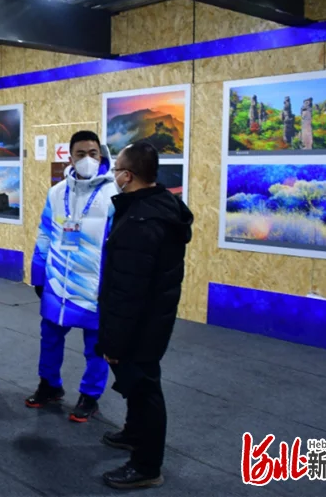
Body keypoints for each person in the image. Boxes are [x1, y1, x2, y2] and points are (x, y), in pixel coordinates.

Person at [97, 141, 193, 490]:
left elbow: (129, 290)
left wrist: (114, 340)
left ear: (129, 175)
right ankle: (134, 433)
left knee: (144, 388)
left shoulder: (142, 221)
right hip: (151, 318)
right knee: (138, 385)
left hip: (140, 324)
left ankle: (146, 465)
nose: (113, 173)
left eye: (116, 167)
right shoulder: (153, 206)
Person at [27, 131, 117, 423]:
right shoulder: (57, 192)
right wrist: (39, 274)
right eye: (81, 153)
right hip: (59, 281)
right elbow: (45, 233)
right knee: (49, 339)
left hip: (96, 285)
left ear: (100, 156)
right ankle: (49, 385)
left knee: (97, 347)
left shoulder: (115, 192)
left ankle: (90, 397)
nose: (87, 159)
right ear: (70, 156)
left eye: (93, 153)